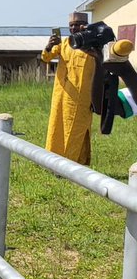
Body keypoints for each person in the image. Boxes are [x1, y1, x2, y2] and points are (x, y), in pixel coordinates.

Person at [41, 12, 106, 165]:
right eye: (71, 25)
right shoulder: (64, 43)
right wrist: (49, 45)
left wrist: (97, 97)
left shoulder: (94, 45)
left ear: (86, 25)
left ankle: (71, 165)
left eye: (78, 24)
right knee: (57, 128)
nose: (74, 28)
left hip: (84, 98)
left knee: (77, 131)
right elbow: (46, 57)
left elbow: (102, 70)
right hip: (62, 96)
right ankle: (52, 161)